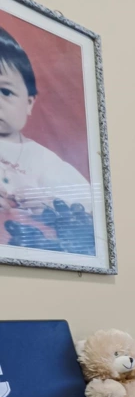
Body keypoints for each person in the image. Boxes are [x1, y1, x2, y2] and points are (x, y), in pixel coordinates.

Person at [0, 25, 94, 254]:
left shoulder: (42, 160)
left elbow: (91, 207)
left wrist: (50, 203)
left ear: (29, 103)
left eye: (5, 92)